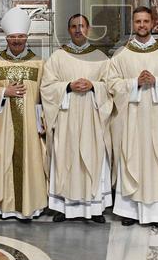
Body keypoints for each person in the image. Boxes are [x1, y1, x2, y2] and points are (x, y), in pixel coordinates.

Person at [106, 6, 158, 229]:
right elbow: (112, 84)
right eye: (138, 21)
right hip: (131, 120)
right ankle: (128, 210)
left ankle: (157, 214)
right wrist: (134, 83)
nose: (142, 25)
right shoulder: (122, 54)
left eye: (146, 21)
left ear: (152, 23)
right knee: (131, 159)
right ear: (133, 24)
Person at [40, 14, 112, 223]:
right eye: (73, 26)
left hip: (92, 117)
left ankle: (95, 207)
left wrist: (94, 86)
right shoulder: (57, 58)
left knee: (93, 156)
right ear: (68, 30)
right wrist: (68, 86)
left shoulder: (101, 58)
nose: (77, 30)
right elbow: (46, 86)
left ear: (88, 29)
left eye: (81, 26)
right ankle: (63, 207)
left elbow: (110, 85)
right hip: (66, 117)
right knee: (66, 157)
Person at [0, 7, 47, 221]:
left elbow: (45, 95)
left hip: (29, 126)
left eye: (20, 36)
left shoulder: (39, 63)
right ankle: (1, 206)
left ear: (26, 37)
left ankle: (31, 205)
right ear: (6, 37)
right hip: (2, 127)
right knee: (0, 158)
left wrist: (43, 120)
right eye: (13, 37)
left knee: (31, 160)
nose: (17, 40)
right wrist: (3, 92)